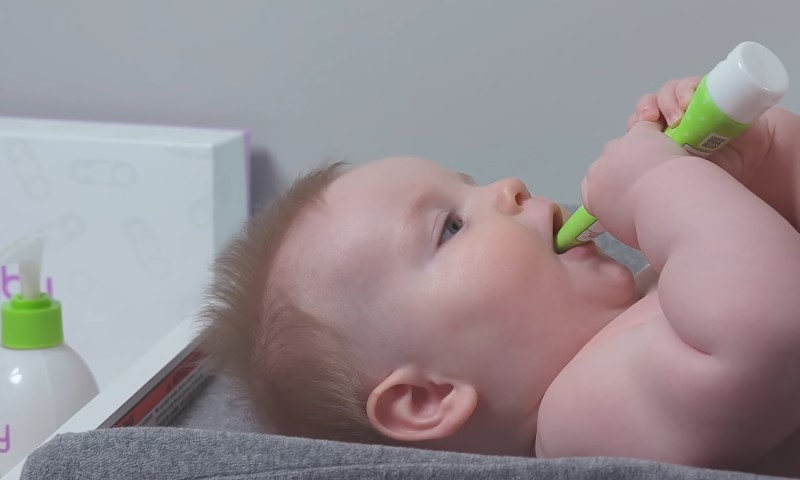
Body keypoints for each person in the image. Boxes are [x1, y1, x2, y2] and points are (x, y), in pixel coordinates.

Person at [199, 76, 800, 476]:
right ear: (428, 398)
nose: (508, 187)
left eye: (471, 179)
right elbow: (770, 324)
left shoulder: (646, 304)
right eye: (451, 226)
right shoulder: (578, 424)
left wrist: (755, 154)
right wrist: (658, 185)